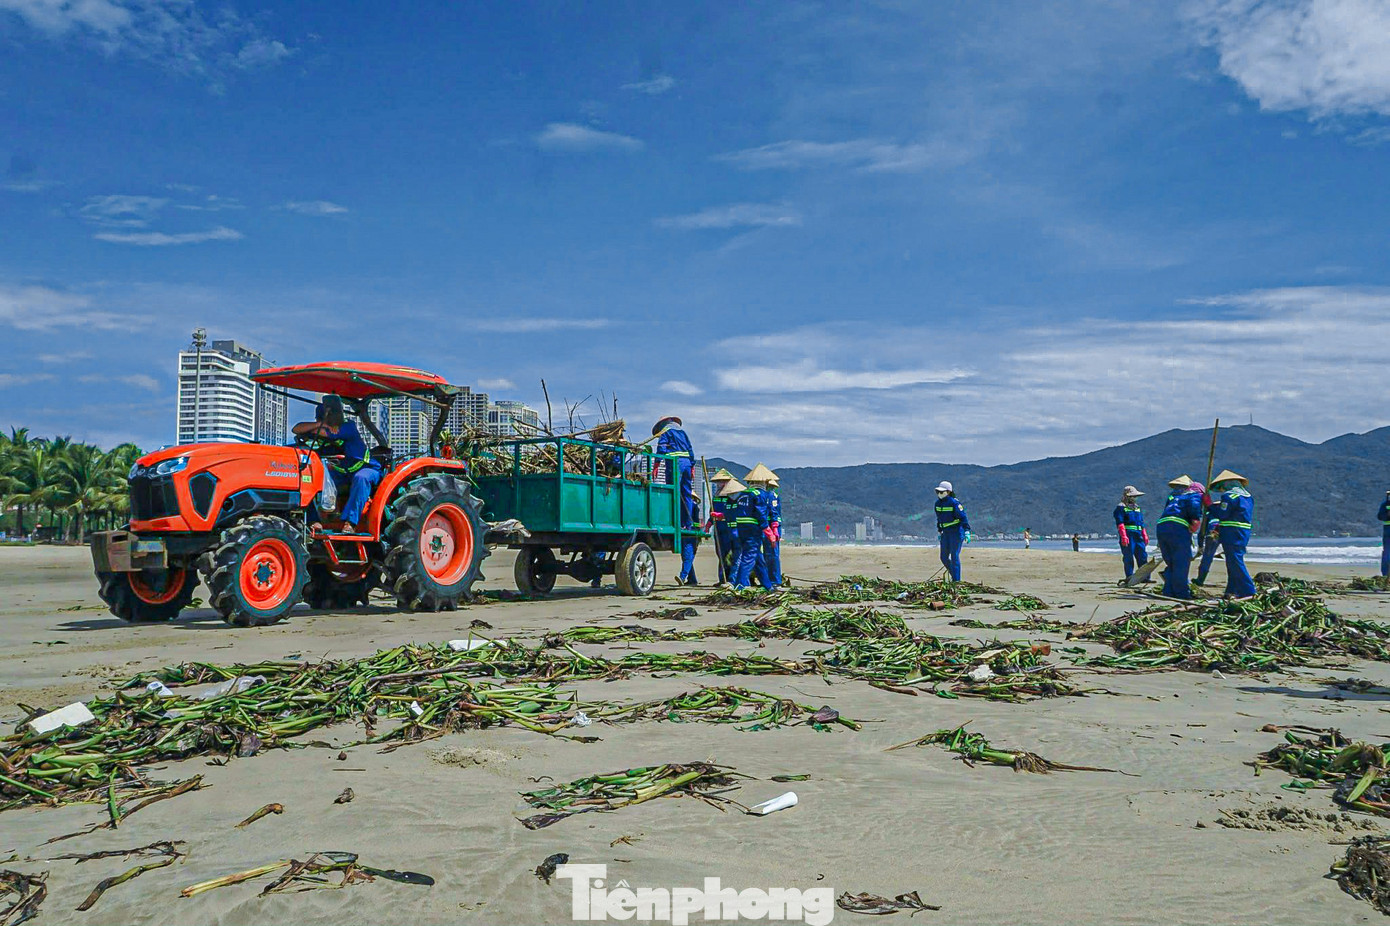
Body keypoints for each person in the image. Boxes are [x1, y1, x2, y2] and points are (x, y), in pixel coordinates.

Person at [293, 395, 380, 534]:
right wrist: (319, 425)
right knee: (306, 480)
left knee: (361, 478)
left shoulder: (348, 427)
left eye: (326, 419)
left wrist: (320, 427)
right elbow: (296, 429)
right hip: (343, 472)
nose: (324, 422)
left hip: (366, 468)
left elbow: (320, 432)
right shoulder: (323, 430)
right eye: (320, 420)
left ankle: (350, 522)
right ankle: (314, 521)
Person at [1155, 475, 1203, 599]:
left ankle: (1168, 591)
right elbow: (1194, 508)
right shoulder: (1194, 496)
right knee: (1181, 561)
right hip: (1177, 528)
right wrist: (1195, 521)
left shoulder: (1174, 498)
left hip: (1162, 527)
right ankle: (1182, 593)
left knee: (1171, 562)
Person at [1210, 469, 1256, 598]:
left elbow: (1223, 514)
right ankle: (1231, 589)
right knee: (1232, 560)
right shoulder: (1248, 497)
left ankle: (1248, 590)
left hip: (1232, 532)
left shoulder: (1229, 496)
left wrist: (1210, 506)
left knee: (1235, 560)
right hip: (1243, 531)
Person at [725, 478, 772, 589]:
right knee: (749, 557)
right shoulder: (759, 494)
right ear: (763, 483)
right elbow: (761, 513)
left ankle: (767, 586)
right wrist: (767, 530)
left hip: (741, 528)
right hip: (753, 529)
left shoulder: (743, 494)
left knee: (758, 559)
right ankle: (740, 584)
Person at [744, 463, 783, 587]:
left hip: (769, 527)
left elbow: (774, 513)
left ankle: (774, 580)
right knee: (758, 554)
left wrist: (774, 529)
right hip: (762, 527)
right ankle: (761, 579)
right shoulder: (757, 495)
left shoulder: (772, 496)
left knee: (771, 554)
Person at [653, 417, 695, 530]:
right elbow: (690, 450)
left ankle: (675, 522)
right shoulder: (683, 433)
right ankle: (687, 524)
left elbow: (661, 448)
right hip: (686, 463)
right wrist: (692, 466)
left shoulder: (666, 432)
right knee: (686, 494)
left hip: (675, 464)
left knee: (673, 492)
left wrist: (656, 464)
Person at [934, 481, 971, 582]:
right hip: (945, 533)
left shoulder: (954, 503)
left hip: (956, 532)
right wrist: (939, 531)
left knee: (954, 556)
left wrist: (967, 531)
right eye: (938, 492)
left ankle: (956, 581)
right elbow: (939, 519)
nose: (939, 494)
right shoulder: (937, 504)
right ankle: (954, 575)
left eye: (942, 492)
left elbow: (963, 517)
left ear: (949, 492)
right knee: (943, 557)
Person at [705, 469, 737, 584]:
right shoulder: (716, 495)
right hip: (718, 529)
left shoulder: (732, 496)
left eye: (722, 482)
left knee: (730, 554)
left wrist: (721, 516)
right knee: (720, 554)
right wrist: (708, 525)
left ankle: (731, 579)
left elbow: (733, 513)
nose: (719, 484)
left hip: (729, 528)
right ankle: (722, 578)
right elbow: (711, 512)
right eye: (718, 482)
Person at [1113, 485, 1149, 580]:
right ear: (1127, 496)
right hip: (1129, 533)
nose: (1134, 498)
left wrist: (1144, 534)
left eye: (1135, 496)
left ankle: (1145, 577)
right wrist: (1124, 536)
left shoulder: (1137, 508)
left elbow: (1141, 523)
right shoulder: (1121, 508)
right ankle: (1129, 576)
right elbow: (1120, 523)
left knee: (1142, 556)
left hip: (1138, 534)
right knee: (1128, 556)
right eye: (1132, 496)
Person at [1193, 495, 1222, 586]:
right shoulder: (1225, 512)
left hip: (1213, 533)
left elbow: (1202, 532)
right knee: (1231, 558)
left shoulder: (1209, 514)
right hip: (1227, 532)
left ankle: (1200, 580)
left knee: (1207, 557)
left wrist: (1200, 545)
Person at [1379, 491, 1390, 578]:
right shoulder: (1385, 505)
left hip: (1387, 530)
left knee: (1387, 552)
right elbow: (1380, 516)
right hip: (1388, 530)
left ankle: (1385, 574)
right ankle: (1385, 574)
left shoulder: (1385, 505)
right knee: (1387, 553)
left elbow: (1380, 516)